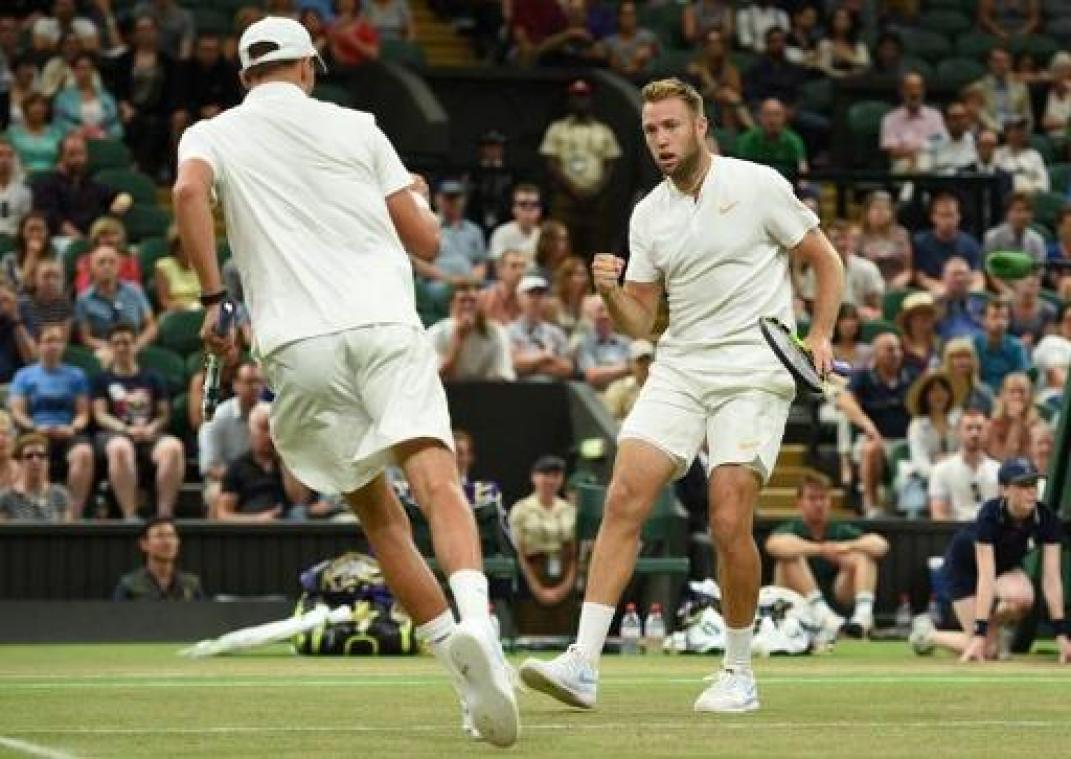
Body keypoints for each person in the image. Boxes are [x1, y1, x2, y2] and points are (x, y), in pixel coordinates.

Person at [172, 16, 518, 745]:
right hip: (386, 327)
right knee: (437, 483)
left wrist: (213, 300)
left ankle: (462, 677)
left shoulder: (209, 134)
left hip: (300, 346)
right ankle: (479, 623)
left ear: (245, 77)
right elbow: (425, 239)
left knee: (379, 516)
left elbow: (185, 196)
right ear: (307, 68)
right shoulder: (360, 126)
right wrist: (415, 195)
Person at [520, 78, 844, 714]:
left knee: (728, 518)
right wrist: (612, 292)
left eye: (671, 126)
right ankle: (583, 662)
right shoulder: (648, 214)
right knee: (623, 495)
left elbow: (824, 260)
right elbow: (640, 321)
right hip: (681, 365)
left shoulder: (757, 184)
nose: (660, 139)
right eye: (650, 130)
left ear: (700, 127)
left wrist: (823, 332)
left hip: (755, 366)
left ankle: (739, 672)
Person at [911, 458, 1071, 663]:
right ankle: (927, 636)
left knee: (1021, 598)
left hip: (1003, 568)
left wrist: (1061, 635)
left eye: (1033, 484)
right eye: (1022, 485)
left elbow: (1052, 579)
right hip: (964, 569)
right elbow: (986, 577)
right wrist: (979, 634)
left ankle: (992, 633)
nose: (1031, 491)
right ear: (1004, 490)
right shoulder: (989, 515)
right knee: (987, 650)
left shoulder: (1046, 518)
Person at [766, 471, 888, 639]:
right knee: (789, 558)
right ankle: (823, 616)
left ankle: (862, 617)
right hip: (796, 607)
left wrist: (844, 547)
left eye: (823, 498)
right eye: (812, 498)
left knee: (863, 556)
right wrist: (821, 549)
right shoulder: (792, 528)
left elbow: (880, 545)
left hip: (839, 602)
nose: (818, 504)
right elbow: (773, 546)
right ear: (799, 502)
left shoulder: (838, 529)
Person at [91, 324, 185, 520]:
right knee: (120, 448)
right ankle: (130, 515)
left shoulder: (153, 377)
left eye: (127, 342)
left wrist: (151, 428)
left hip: (149, 433)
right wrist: (126, 429)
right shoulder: (102, 379)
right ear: (110, 347)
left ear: (135, 345)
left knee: (173, 447)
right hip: (114, 434)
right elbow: (100, 415)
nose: (122, 347)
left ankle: (164, 515)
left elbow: (163, 414)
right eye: (117, 343)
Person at [7, 324, 93, 519]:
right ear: (38, 345)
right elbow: (17, 412)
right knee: (32, 452)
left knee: (84, 453)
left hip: (67, 432)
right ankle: (26, 513)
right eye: (48, 341)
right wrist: (35, 427)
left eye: (57, 341)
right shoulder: (24, 375)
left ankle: (73, 514)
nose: (53, 346)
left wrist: (72, 428)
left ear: (63, 346)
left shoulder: (76, 375)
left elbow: (83, 414)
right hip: (33, 430)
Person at [539, 79, 621, 258]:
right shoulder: (557, 129)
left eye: (584, 97)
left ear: (591, 100)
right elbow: (552, 164)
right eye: (576, 97)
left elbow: (611, 165)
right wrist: (573, 189)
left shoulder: (603, 130)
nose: (580, 101)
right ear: (569, 100)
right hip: (566, 199)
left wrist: (597, 189)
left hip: (596, 201)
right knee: (562, 246)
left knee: (596, 248)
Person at [837, 332, 913, 517]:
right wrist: (867, 424)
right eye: (889, 349)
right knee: (871, 449)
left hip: (907, 441)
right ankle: (871, 507)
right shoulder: (862, 376)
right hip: (873, 438)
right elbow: (844, 401)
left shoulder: (911, 376)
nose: (895, 353)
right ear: (875, 354)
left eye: (898, 349)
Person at [508, 454, 577, 633]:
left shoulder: (569, 510)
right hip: (533, 572)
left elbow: (575, 553)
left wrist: (566, 585)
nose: (551, 480)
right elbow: (518, 552)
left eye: (556, 475)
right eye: (546, 474)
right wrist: (536, 588)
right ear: (534, 477)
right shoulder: (521, 509)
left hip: (564, 572)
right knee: (533, 629)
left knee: (565, 631)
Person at [31, 134, 132, 238]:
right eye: (72, 154)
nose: (78, 159)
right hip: (61, 240)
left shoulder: (91, 185)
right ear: (61, 156)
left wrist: (122, 201)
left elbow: (118, 195)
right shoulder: (46, 184)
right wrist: (81, 240)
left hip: (93, 239)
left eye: (81, 154)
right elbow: (55, 220)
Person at [198, 359, 263, 515]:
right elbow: (210, 467)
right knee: (216, 495)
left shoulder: (271, 414)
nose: (255, 387)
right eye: (249, 382)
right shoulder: (216, 418)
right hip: (225, 480)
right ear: (235, 385)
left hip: (263, 477)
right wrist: (243, 478)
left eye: (259, 382)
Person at [74, 244, 157, 360]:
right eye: (101, 262)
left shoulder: (134, 291)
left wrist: (137, 345)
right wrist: (114, 347)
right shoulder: (83, 299)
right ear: (92, 267)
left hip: (136, 346)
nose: (107, 266)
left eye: (112, 262)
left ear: (119, 266)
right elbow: (86, 338)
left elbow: (151, 326)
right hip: (106, 349)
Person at [900, 370, 962, 516]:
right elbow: (920, 461)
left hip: (956, 475)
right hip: (924, 479)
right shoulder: (917, 425)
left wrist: (947, 464)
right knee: (914, 508)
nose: (939, 395)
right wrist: (940, 473)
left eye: (943, 389)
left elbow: (963, 453)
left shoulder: (959, 420)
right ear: (925, 396)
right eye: (933, 390)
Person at [427, 283, 515, 382]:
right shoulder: (437, 332)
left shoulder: (496, 332)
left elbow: (502, 375)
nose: (467, 306)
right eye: (462, 301)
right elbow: (433, 378)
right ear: (452, 305)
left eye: (473, 301)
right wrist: (458, 339)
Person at [929, 408, 1000, 522]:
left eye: (979, 428)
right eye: (969, 428)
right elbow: (938, 515)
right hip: (954, 532)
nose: (974, 433)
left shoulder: (998, 470)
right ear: (958, 432)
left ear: (987, 433)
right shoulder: (941, 470)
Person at [113, 516, 205, 600]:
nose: (167, 542)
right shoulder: (129, 585)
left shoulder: (191, 584)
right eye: (159, 536)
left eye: (171, 536)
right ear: (144, 544)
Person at [912, 193, 983, 294]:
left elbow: (978, 276)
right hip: (932, 293)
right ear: (933, 217)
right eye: (943, 215)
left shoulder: (970, 244)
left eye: (951, 215)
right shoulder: (920, 242)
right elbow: (920, 276)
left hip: (963, 293)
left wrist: (973, 292)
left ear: (959, 217)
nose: (948, 221)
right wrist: (939, 287)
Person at [509, 274, 573, 381]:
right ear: (518, 299)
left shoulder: (556, 333)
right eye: (531, 294)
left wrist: (530, 364)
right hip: (519, 388)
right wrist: (545, 356)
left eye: (540, 294)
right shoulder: (509, 331)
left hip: (552, 389)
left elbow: (567, 368)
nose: (536, 299)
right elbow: (513, 363)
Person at [880, 73, 947, 175]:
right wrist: (913, 154)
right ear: (901, 92)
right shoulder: (890, 119)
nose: (914, 93)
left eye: (918, 88)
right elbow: (892, 151)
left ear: (923, 91)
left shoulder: (935, 116)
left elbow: (940, 143)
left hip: (930, 163)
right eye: (909, 89)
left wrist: (917, 153)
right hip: (902, 163)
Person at [0, 432, 70, 522]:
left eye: (41, 456)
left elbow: (68, 531)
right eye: (29, 456)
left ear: (47, 462)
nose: (35, 460)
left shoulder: (59, 495)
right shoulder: (6, 498)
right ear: (20, 462)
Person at [733, 98, 808, 178]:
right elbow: (739, 170)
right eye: (767, 115)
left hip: (785, 183)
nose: (772, 120)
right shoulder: (747, 140)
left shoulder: (793, 140)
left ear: (784, 117)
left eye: (777, 115)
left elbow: (802, 168)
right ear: (760, 117)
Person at [856, 190, 913, 289]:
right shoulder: (858, 235)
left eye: (886, 208)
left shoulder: (901, 234)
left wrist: (902, 279)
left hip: (896, 285)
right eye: (876, 208)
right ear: (866, 212)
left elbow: (909, 269)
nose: (880, 212)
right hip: (867, 286)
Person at [575, 294, 630, 390]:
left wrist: (604, 372)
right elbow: (592, 376)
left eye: (608, 310)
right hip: (596, 396)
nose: (605, 315)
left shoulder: (626, 343)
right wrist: (625, 368)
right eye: (600, 310)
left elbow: (636, 371)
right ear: (591, 315)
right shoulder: (584, 344)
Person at [972, 299, 1029, 392]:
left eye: (1004, 318)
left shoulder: (1016, 347)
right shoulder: (974, 344)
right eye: (995, 317)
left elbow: (1021, 379)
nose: (1000, 322)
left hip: (1007, 397)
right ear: (984, 320)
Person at [975, 47, 1033, 133]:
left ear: (1010, 64)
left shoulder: (1021, 87)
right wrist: (1001, 130)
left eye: (1005, 61)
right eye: (997, 61)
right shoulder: (979, 88)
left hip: (1017, 131)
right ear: (990, 63)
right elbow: (981, 116)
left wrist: (1023, 131)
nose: (1001, 65)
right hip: (992, 131)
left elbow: (1027, 115)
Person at [5, 93, 66, 174]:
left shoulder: (57, 132)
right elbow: (7, 158)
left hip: (53, 177)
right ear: (25, 109)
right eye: (33, 105)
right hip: (20, 176)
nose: (38, 109)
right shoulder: (12, 134)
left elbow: (63, 158)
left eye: (41, 105)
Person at [985, 371, 1040, 460]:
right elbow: (1003, 461)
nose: (1017, 396)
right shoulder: (992, 426)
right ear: (1003, 394)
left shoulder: (1037, 426)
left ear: (1030, 395)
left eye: (1022, 391)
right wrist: (1016, 424)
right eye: (1012, 391)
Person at [935, 257, 987, 341]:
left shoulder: (980, 301)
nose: (959, 279)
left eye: (963, 274)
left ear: (970, 277)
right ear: (944, 277)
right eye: (954, 274)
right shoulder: (935, 302)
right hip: (948, 347)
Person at [488, 184, 542, 264]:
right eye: (523, 204)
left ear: (539, 210)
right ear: (514, 209)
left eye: (534, 204)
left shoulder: (543, 235)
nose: (528, 209)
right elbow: (498, 265)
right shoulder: (502, 233)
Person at [994, 117, 1050, 195]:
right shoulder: (997, 154)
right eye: (1016, 129)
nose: (1020, 133)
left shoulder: (1034, 155)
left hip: (1030, 198)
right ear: (1006, 133)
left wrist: (1029, 191)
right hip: (1005, 197)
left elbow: (1044, 184)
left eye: (1023, 129)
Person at [942, 337, 995, 416]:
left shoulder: (983, 392)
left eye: (966, 356)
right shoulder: (940, 391)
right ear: (948, 361)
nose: (962, 361)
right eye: (957, 357)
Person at [603, 338, 653, 421]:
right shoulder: (618, 388)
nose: (645, 365)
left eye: (648, 360)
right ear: (630, 363)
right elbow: (608, 420)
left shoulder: (659, 390)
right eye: (640, 361)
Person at [896, 291, 940, 379]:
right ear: (909, 319)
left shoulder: (941, 344)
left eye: (929, 313)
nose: (926, 316)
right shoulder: (898, 347)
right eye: (919, 313)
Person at [477, 249, 526, 325]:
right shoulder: (483, 299)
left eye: (522, 267)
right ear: (500, 270)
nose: (520, 272)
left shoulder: (526, 302)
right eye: (514, 266)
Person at [0, 136, 32, 239]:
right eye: (0, 155)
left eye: (9, 155)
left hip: (14, 239)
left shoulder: (24, 192)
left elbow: (26, 223)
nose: (5, 160)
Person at [831, 303, 873, 370]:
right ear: (836, 323)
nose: (848, 324)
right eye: (843, 319)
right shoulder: (828, 351)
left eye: (852, 319)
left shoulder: (867, 352)